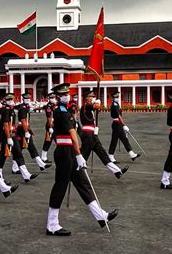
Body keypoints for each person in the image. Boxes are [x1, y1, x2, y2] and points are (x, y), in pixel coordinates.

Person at [46, 83, 118, 236]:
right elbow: (72, 135)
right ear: (58, 97)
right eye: (64, 94)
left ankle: (100, 216)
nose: (67, 96)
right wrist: (78, 155)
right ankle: (52, 224)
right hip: (66, 153)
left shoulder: (67, 111)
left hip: (68, 151)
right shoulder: (61, 112)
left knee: (83, 183)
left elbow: (64, 134)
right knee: (60, 186)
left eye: (68, 93)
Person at [79, 90, 127, 179]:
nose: (92, 98)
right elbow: (96, 106)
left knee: (102, 154)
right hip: (87, 134)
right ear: (86, 98)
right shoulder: (86, 105)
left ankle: (117, 171)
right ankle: (75, 173)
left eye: (93, 97)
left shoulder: (88, 106)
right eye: (91, 97)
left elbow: (96, 110)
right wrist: (97, 102)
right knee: (83, 157)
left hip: (92, 134)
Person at [0, 93, 38, 183]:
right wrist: (8, 137)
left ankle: (26, 175)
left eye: (12, 100)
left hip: (12, 135)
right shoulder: (7, 110)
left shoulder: (10, 110)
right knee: (2, 156)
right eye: (10, 100)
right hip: (8, 136)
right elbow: (6, 125)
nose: (12, 101)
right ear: (6, 101)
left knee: (18, 153)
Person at [16, 93, 51, 171]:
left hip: (24, 128)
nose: (28, 99)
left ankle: (41, 165)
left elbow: (26, 121)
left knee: (21, 149)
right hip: (22, 129)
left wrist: (29, 130)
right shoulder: (23, 108)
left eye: (29, 98)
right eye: (26, 98)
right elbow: (23, 121)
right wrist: (26, 132)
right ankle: (41, 165)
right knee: (25, 148)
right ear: (23, 99)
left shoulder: (26, 107)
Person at [107, 91, 140, 163]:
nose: (117, 98)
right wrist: (124, 125)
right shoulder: (114, 105)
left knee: (124, 139)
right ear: (113, 98)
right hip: (116, 124)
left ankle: (131, 154)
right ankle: (110, 156)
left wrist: (122, 125)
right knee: (114, 140)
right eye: (116, 97)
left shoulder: (117, 104)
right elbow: (119, 116)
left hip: (118, 124)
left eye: (118, 97)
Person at [40, 93, 57, 163]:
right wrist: (50, 127)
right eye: (51, 97)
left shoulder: (55, 105)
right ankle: (43, 157)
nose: (53, 99)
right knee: (48, 141)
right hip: (51, 126)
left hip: (55, 125)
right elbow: (49, 117)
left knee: (55, 140)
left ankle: (43, 156)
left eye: (53, 97)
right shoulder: (49, 106)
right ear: (49, 98)